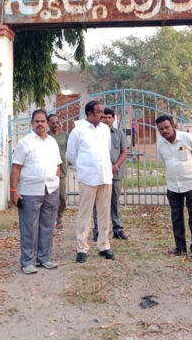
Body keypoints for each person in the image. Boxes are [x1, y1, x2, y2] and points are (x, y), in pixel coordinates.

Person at [10, 110, 62, 274]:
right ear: (32, 123)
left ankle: (43, 258)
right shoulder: (24, 143)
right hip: (30, 190)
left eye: (43, 121)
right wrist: (13, 190)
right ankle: (27, 261)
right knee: (29, 227)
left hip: (51, 189)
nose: (40, 124)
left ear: (47, 124)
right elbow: (16, 167)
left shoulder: (52, 142)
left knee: (47, 225)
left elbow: (58, 165)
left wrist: (55, 178)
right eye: (37, 121)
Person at [66, 100, 114, 263]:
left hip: (104, 176)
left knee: (104, 212)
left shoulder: (105, 130)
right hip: (87, 177)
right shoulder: (78, 130)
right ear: (90, 114)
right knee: (85, 214)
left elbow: (106, 150)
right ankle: (82, 248)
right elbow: (71, 154)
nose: (103, 115)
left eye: (103, 111)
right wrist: (83, 167)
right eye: (99, 112)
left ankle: (104, 245)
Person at [155, 115, 192, 258]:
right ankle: (180, 248)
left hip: (191, 183)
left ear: (173, 126)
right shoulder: (160, 145)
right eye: (161, 129)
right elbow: (165, 161)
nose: (164, 131)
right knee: (176, 217)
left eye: (167, 127)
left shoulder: (187, 139)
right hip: (173, 185)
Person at [92, 108, 129, 241]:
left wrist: (116, 165)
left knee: (114, 201)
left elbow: (124, 151)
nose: (107, 120)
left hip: (115, 172)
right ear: (100, 119)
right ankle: (97, 231)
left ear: (113, 119)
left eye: (109, 117)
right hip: (99, 173)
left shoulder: (119, 134)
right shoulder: (96, 134)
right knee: (98, 202)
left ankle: (117, 229)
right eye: (104, 117)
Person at [47, 114, 69, 229]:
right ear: (48, 124)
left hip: (62, 169)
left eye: (57, 122)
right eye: (53, 123)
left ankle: (60, 215)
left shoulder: (65, 136)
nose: (55, 125)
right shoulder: (46, 136)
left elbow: (70, 150)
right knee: (50, 196)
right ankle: (52, 218)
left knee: (62, 196)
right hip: (49, 169)